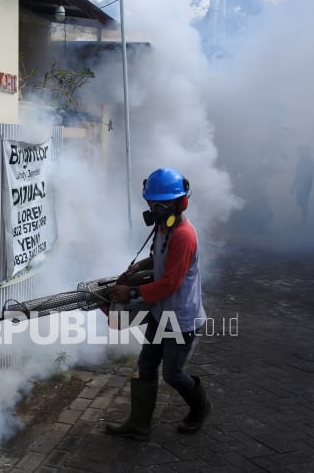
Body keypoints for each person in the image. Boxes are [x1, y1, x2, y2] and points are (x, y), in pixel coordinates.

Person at [104, 167, 211, 439]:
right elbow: (159, 261)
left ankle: (201, 407)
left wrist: (129, 294)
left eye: (163, 203)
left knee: (173, 374)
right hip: (159, 310)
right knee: (147, 364)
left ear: (180, 202)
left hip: (180, 317)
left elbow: (170, 283)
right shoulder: (163, 227)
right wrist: (139, 265)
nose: (156, 208)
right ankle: (139, 425)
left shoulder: (184, 235)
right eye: (153, 202)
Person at [291, 146, 314, 224]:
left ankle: (305, 219)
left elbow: (310, 173)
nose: (301, 153)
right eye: (300, 152)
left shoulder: (310, 162)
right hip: (300, 185)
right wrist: (293, 186)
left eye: (303, 151)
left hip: (306, 186)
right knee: (301, 201)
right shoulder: (300, 162)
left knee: (304, 201)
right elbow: (297, 175)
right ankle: (305, 216)